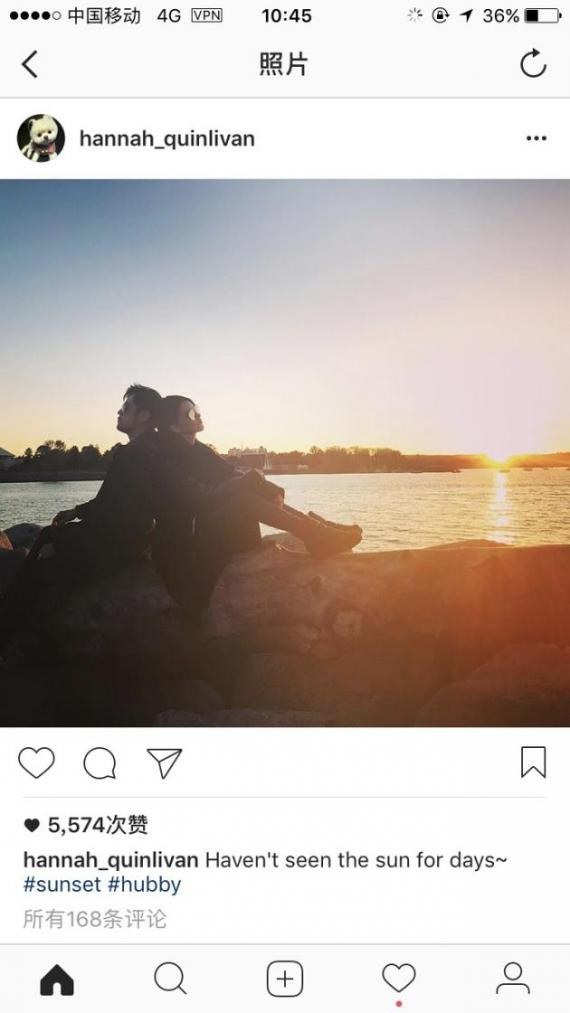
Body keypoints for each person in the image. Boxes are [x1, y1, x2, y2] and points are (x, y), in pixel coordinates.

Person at [152, 395, 362, 615]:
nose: (198, 415)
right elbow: (202, 498)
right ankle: (315, 534)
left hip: (213, 534)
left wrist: (271, 490)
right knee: (241, 498)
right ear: (174, 426)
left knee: (246, 489)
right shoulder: (166, 459)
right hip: (189, 547)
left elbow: (232, 474)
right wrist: (248, 481)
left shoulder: (199, 450)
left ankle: (318, 531)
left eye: (196, 409)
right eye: (190, 413)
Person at [0, 384, 162, 651]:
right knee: (47, 551)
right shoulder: (151, 450)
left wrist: (64, 542)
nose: (119, 412)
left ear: (144, 416)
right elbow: (113, 503)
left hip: (118, 543)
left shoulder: (134, 454)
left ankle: (7, 632)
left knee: (43, 551)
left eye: (126, 408)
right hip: (132, 540)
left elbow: (113, 509)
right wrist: (75, 512)